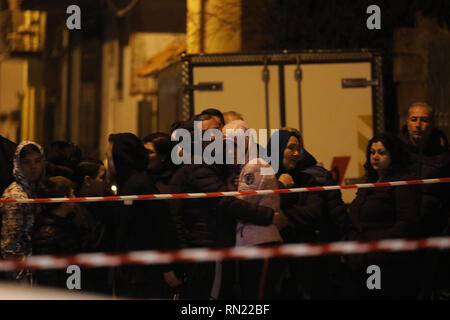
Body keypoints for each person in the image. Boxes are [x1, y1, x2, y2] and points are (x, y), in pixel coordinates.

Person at [169, 115, 286, 299]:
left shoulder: (229, 166)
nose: (219, 138)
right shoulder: (201, 168)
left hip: (239, 244)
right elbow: (228, 203)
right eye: (211, 133)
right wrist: (270, 216)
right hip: (211, 247)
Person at [342, 134, 422, 299]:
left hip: (385, 260)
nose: (375, 157)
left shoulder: (403, 182)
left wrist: (376, 250)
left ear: (394, 155)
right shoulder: (369, 181)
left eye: (381, 153)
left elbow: (406, 223)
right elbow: (355, 218)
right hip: (359, 258)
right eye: (372, 152)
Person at [108, 133, 178, 299]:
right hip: (135, 272)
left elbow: (159, 226)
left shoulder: (138, 185)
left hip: (142, 274)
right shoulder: (131, 183)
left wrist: (166, 268)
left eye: (110, 155)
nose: (108, 161)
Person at [223, 120, 286, 300]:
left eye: (233, 145)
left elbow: (241, 203)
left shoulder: (255, 165)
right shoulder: (248, 166)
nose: (228, 152)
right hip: (253, 242)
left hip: (261, 242)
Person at [400, 102, 450, 299]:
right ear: (407, 122)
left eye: (424, 120)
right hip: (404, 230)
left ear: (433, 124)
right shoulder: (396, 153)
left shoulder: (444, 157)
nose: (418, 125)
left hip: (435, 230)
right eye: (414, 119)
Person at [266, 130, 324, 299]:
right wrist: (280, 186)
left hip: (303, 262)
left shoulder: (307, 180)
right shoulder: (265, 179)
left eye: (299, 148)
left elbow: (313, 213)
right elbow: (263, 208)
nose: (297, 153)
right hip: (274, 263)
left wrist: (281, 215)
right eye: (291, 148)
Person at [33, 176, 95, 289]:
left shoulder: (67, 223)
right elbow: (47, 276)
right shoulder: (47, 234)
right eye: (72, 194)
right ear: (65, 200)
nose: (75, 197)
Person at [1, 141, 45, 284]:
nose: (33, 167)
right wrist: (20, 278)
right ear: (18, 164)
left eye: (37, 161)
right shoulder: (15, 195)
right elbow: (10, 244)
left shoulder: (33, 189)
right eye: (27, 162)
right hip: (19, 273)